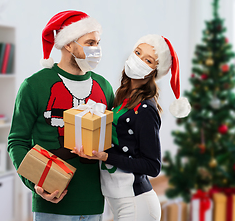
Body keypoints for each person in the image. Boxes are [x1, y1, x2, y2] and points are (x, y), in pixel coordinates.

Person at [7, 10, 114, 221]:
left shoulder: (104, 87)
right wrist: (35, 184)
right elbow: (17, 142)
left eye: (98, 43)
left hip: (94, 203)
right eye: (90, 42)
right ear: (68, 44)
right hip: (52, 206)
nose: (97, 49)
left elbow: (112, 140)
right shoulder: (34, 86)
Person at [73, 34, 191, 221]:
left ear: (154, 70)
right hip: (118, 199)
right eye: (138, 52)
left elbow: (153, 166)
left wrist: (105, 156)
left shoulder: (145, 109)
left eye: (148, 60)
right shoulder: (121, 98)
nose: (139, 60)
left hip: (136, 202)